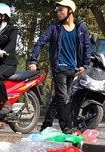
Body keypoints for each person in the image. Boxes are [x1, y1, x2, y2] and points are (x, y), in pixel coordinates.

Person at [28, 0, 91, 134]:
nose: (58, 13)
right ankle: (66, 126)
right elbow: (40, 43)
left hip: (73, 69)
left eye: (60, 10)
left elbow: (87, 47)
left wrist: (85, 65)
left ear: (70, 11)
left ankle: (46, 125)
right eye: (57, 10)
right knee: (63, 98)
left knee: (59, 98)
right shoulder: (54, 28)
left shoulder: (81, 28)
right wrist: (33, 60)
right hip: (59, 67)